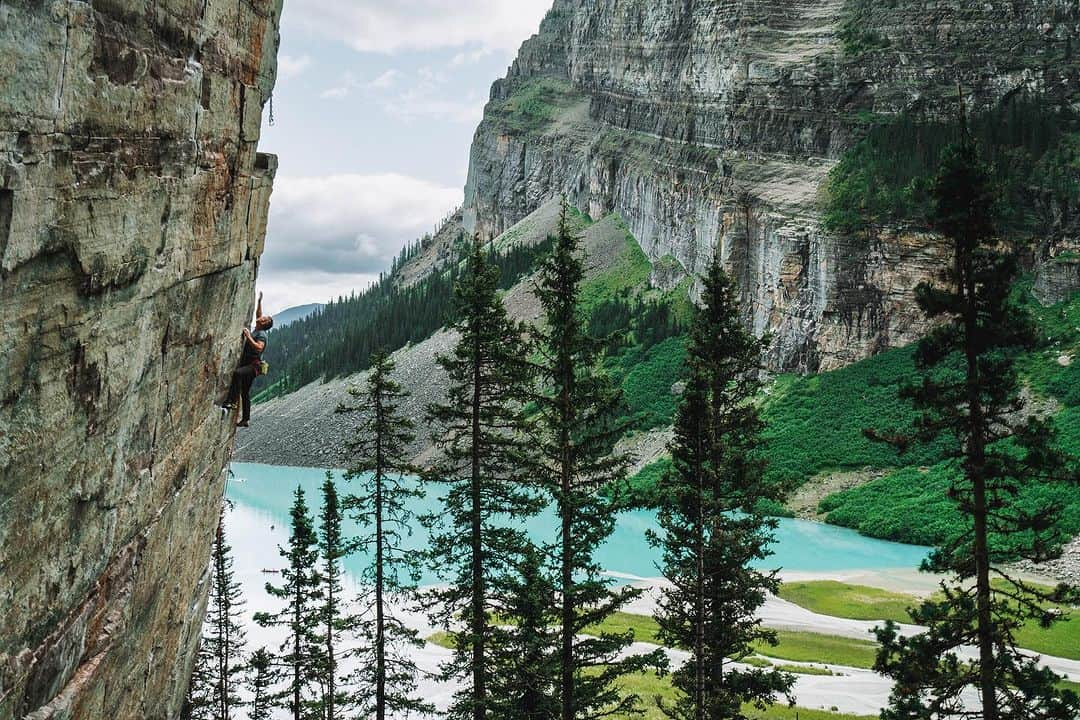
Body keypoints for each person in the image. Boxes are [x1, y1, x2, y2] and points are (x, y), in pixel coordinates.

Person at [221, 291, 273, 427]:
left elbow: (258, 348)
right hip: (251, 365)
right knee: (245, 392)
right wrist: (260, 302)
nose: (261, 318)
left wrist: (248, 336)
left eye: (264, 319)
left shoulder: (261, 334)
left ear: (264, 324)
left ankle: (232, 401)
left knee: (238, 374)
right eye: (264, 317)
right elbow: (258, 314)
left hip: (253, 366)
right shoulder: (259, 327)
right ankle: (245, 420)